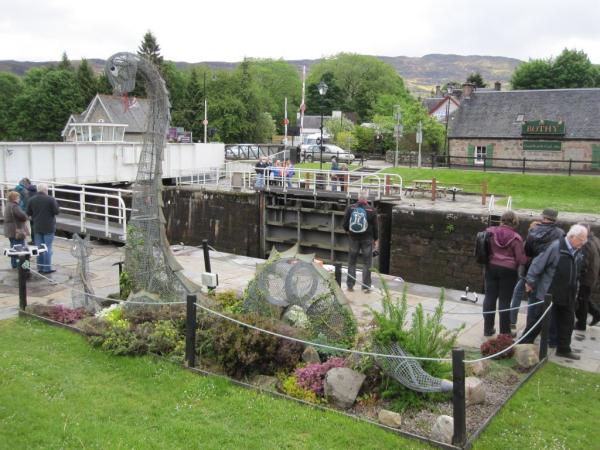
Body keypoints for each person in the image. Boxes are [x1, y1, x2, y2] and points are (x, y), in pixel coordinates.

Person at [522, 224, 587, 360]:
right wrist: (530, 281)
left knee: (568, 322)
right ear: (571, 237)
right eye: (581, 239)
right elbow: (538, 264)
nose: (583, 242)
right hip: (550, 291)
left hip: (568, 293)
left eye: (584, 240)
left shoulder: (578, 250)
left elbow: (577, 272)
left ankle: (563, 349)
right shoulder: (555, 247)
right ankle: (523, 343)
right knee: (539, 321)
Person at [509, 209, 564, 330]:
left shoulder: (534, 230)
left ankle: (515, 322)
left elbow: (527, 251)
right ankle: (533, 327)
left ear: (543, 217)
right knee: (539, 300)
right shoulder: (560, 233)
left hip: (531, 269)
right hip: (548, 273)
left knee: (522, 295)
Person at [482, 211, 528, 336]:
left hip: (491, 267)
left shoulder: (490, 232)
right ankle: (504, 332)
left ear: (502, 220)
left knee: (489, 298)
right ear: (514, 222)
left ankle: (488, 329)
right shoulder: (516, 238)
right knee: (505, 301)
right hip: (508, 271)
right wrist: (529, 258)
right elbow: (520, 259)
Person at [343, 189, 378, 293]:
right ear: (366, 198)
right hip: (367, 239)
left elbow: (345, 224)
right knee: (367, 263)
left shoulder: (350, 208)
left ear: (358, 197)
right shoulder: (372, 210)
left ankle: (350, 286)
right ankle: (366, 286)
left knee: (352, 262)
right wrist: (376, 239)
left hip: (353, 238)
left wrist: (349, 233)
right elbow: (375, 227)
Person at [26, 183, 60, 274]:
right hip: (49, 227)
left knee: (39, 248)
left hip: (37, 226)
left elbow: (28, 213)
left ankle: (40, 267)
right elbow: (56, 212)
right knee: (47, 247)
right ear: (46, 190)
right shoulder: (50, 199)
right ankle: (47, 268)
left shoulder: (31, 200)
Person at [575, 224, 600, 330]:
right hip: (593, 274)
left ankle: (581, 324)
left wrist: (577, 274)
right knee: (585, 298)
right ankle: (596, 313)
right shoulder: (595, 239)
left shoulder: (586, 244)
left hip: (586, 277)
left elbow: (583, 263)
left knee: (582, 300)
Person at [3, 191, 29, 269]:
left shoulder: (8, 205)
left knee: (13, 248)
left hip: (10, 230)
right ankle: (20, 266)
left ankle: (14, 265)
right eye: (18, 197)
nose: (19, 199)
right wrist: (26, 215)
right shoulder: (14, 206)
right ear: (14, 198)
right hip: (17, 231)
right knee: (20, 249)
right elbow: (22, 216)